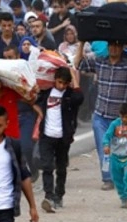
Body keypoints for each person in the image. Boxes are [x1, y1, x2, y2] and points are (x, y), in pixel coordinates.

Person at [75, 33, 127, 190]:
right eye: (111, 45)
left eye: (117, 45)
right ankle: (107, 179)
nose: (114, 48)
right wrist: (81, 42)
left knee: (121, 151)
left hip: (121, 119)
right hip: (100, 115)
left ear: (122, 47)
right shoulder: (100, 62)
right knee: (103, 149)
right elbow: (78, 64)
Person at [36, 67, 84, 212]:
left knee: (61, 168)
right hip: (46, 136)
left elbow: (80, 98)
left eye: (65, 83)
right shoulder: (46, 93)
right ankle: (48, 196)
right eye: (59, 82)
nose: (61, 86)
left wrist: (73, 75)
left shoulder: (70, 96)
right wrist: (40, 113)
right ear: (54, 80)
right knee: (47, 167)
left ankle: (59, 195)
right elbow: (30, 99)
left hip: (63, 138)